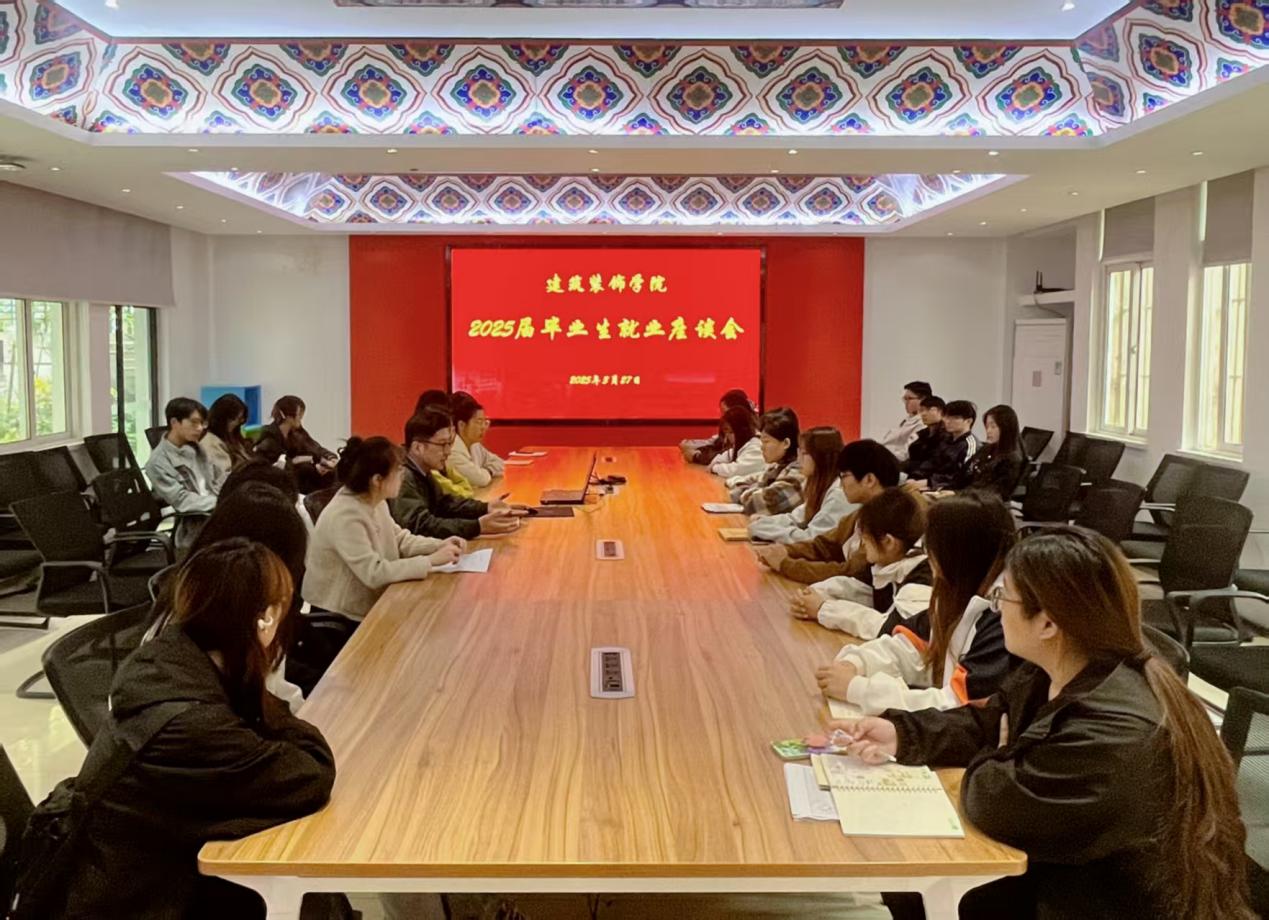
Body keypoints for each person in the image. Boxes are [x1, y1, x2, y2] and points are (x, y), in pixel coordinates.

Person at [834, 527, 1254, 920]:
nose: (996, 610)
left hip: (1096, 904)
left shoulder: (1113, 734)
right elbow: (988, 721)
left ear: (1049, 623)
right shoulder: (1058, 669)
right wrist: (902, 733)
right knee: (910, 884)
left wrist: (1001, 753)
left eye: (1004, 598)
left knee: (919, 885)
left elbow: (994, 800)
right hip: (1061, 877)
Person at [58, 539, 335, 920]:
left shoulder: (170, 658)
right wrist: (258, 683)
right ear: (265, 618)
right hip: (138, 902)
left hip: (134, 874)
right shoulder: (193, 727)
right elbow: (310, 773)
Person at [814, 491, 1017, 715]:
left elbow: (960, 706)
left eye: (932, 548)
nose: (928, 557)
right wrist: (857, 662)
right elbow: (912, 646)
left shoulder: (1003, 618)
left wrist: (859, 690)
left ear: (956, 555)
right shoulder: (958, 593)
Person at [303, 436, 462, 621]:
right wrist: (431, 561)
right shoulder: (345, 515)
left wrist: (439, 545)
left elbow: (400, 539)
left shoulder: (374, 500)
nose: (402, 474)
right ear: (377, 479)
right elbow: (374, 573)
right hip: (340, 616)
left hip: (371, 602)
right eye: (398, 470)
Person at [791, 487, 932, 640]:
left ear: (888, 542)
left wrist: (823, 609)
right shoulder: (886, 561)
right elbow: (857, 588)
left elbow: (892, 628)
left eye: (865, 538)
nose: (863, 544)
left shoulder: (924, 577)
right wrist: (817, 593)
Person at [754, 439, 900, 584]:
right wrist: (784, 550)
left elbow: (852, 572)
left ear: (869, 480)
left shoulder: (888, 519)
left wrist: (786, 564)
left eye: (844, 476)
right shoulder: (861, 512)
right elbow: (823, 545)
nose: (841, 483)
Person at [392, 410, 524, 540]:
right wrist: (478, 527)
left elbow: (445, 504)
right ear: (418, 448)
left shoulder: (423, 469)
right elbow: (421, 526)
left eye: (449, 444)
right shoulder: (401, 476)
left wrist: (486, 508)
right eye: (442, 444)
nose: (448, 452)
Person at [144, 396, 225, 549]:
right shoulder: (157, 463)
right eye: (194, 422)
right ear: (174, 423)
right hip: (197, 528)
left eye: (202, 423)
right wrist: (223, 501)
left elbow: (218, 478)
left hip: (218, 516)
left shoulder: (196, 448)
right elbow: (182, 501)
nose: (200, 428)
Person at [748, 427, 852, 544]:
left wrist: (766, 530)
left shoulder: (839, 493)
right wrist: (764, 522)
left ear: (821, 457)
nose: (799, 459)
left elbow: (812, 539)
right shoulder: (817, 485)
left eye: (804, 453)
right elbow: (796, 517)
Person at [254, 395, 338, 494]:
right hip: (280, 481)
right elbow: (274, 467)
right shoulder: (268, 437)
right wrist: (298, 461)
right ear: (288, 416)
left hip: (299, 477)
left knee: (331, 472)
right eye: (299, 414)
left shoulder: (296, 432)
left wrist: (329, 457)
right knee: (307, 469)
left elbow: (313, 447)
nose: (301, 417)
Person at [727, 408, 805, 516]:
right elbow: (747, 484)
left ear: (786, 443)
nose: (762, 447)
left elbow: (757, 505)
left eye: (766, 441)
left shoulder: (799, 473)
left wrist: (751, 491)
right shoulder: (777, 467)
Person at [950, 404, 1026, 501]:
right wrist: (949, 490)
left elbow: (993, 492)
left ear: (1006, 428)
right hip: (969, 496)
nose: (988, 431)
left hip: (985, 503)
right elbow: (964, 473)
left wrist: (957, 494)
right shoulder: (987, 449)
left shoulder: (1011, 459)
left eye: (993, 427)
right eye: (987, 426)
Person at [908, 399, 978, 493]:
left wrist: (929, 483)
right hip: (934, 485)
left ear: (968, 421)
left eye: (955, 418)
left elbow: (962, 476)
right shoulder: (945, 440)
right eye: (947, 417)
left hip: (951, 490)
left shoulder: (970, 444)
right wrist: (915, 477)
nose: (948, 421)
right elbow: (931, 463)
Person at [680, 389, 754, 465]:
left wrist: (697, 456)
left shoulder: (748, 434)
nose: (722, 417)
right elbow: (717, 446)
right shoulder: (730, 428)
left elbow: (727, 457)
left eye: (724, 413)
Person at [449, 392, 505, 489]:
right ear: (461, 425)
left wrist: (485, 470)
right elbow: (480, 479)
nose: (483, 427)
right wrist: (489, 471)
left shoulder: (475, 445)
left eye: (485, 422)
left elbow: (500, 463)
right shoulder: (452, 449)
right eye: (479, 422)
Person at [878, 381, 931, 463]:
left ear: (923, 399)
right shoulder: (908, 419)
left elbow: (906, 453)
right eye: (904, 399)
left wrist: (881, 455)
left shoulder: (924, 424)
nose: (906, 402)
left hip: (895, 463)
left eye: (909, 399)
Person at [201, 393, 254, 474]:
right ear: (224, 419)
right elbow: (223, 475)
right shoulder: (211, 442)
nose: (239, 422)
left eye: (241, 419)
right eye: (237, 419)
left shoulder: (233, 437)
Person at [709, 404, 764, 479]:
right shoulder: (743, 444)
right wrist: (715, 465)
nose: (727, 436)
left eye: (731, 432)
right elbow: (720, 459)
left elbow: (737, 470)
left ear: (742, 430)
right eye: (726, 432)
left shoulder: (756, 446)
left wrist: (715, 468)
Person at [902, 395, 945, 475]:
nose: (924, 414)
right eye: (921, 410)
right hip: (913, 472)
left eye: (930, 410)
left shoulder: (947, 436)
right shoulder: (921, 434)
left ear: (941, 412)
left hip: (929, 476)